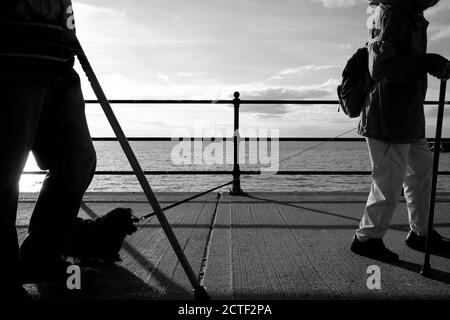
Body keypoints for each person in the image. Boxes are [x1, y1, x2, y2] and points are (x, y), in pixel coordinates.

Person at [0, 0, 98, 300]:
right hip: (9, 59)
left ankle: (41, 257)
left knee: (77, 161)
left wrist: (68, 36)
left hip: (59, 61)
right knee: (3, 173)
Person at [351, 0, 450, 262]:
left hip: (408, 115)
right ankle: (367, 238)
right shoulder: (394, 12)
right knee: (389, 181)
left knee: (421, 172)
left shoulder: (410, 14)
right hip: (388, 116)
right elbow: (382, 70)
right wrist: (429, 61)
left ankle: (420, 232)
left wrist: (426, 62)